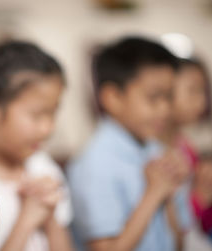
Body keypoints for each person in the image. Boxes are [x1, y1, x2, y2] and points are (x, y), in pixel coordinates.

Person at [67, 37, 190, 251]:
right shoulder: (94, 164)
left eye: (169, 97)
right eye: (153, 98)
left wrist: (169, 194)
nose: (164, 109)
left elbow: (178, 241)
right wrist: (154, 193)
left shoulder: (157, 150)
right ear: (112, 97)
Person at [0, 41, 74, 251]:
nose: (48, 128)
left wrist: (50, 217)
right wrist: (27, 219)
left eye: (53, 113)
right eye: (37, 115)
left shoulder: (42, 166)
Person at [160, 58, 212, 240]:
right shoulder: (158, 153)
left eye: (203, 91)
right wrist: (200, 198)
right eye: (192, 91)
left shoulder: (184, 145)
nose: (202, 101)